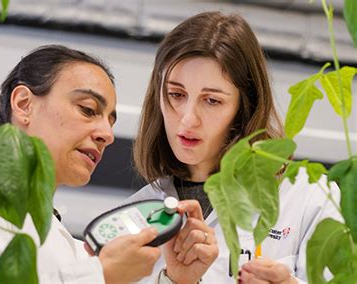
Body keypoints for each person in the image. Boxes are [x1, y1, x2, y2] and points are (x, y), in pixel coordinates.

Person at [0, 45, 182, 283]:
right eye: (88, 110)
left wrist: (177, 279)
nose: (107, 135)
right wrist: (101, 277)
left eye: (111, 121)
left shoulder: (60, 241)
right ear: (24, 104)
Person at [126, 11, 341, 283]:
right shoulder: (136, 215)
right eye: (176, 95)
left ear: (245, 107)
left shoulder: (307, 196)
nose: (188, 118)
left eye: (212, 101)